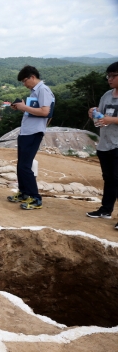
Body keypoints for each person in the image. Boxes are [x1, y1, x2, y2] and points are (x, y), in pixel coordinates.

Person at [8, 65, 54, 210]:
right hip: (26, 131)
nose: (24, 84)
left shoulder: (43, 90)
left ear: (32, 77)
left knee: (25, 166)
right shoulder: (35, 91)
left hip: (34, 132)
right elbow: (34, 110)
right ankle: (23, 193)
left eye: (24, 80)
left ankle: (35, 198)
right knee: (20, 165)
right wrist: (21, 107)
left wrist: (24, 107)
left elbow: (46, 111)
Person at [86, 62, 118, 230]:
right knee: (109, 179)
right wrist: (93, 114)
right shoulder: (106, 95)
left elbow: (109, 118)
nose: (110, 79)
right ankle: (106, 210)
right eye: (108, 76)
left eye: (113, 76)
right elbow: (100, 116)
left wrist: (110, 119)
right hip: (105, 144)